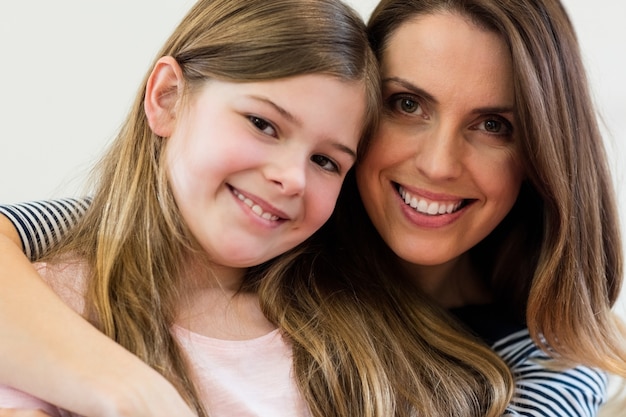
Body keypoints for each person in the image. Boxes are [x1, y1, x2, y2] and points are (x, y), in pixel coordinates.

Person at [2, 0, 625, 416]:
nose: (438, 164)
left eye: (493, 124)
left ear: (543, 150)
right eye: (407, 104)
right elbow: (94, 229)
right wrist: (134, 397)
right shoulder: (265, 228)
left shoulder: (538, 361)